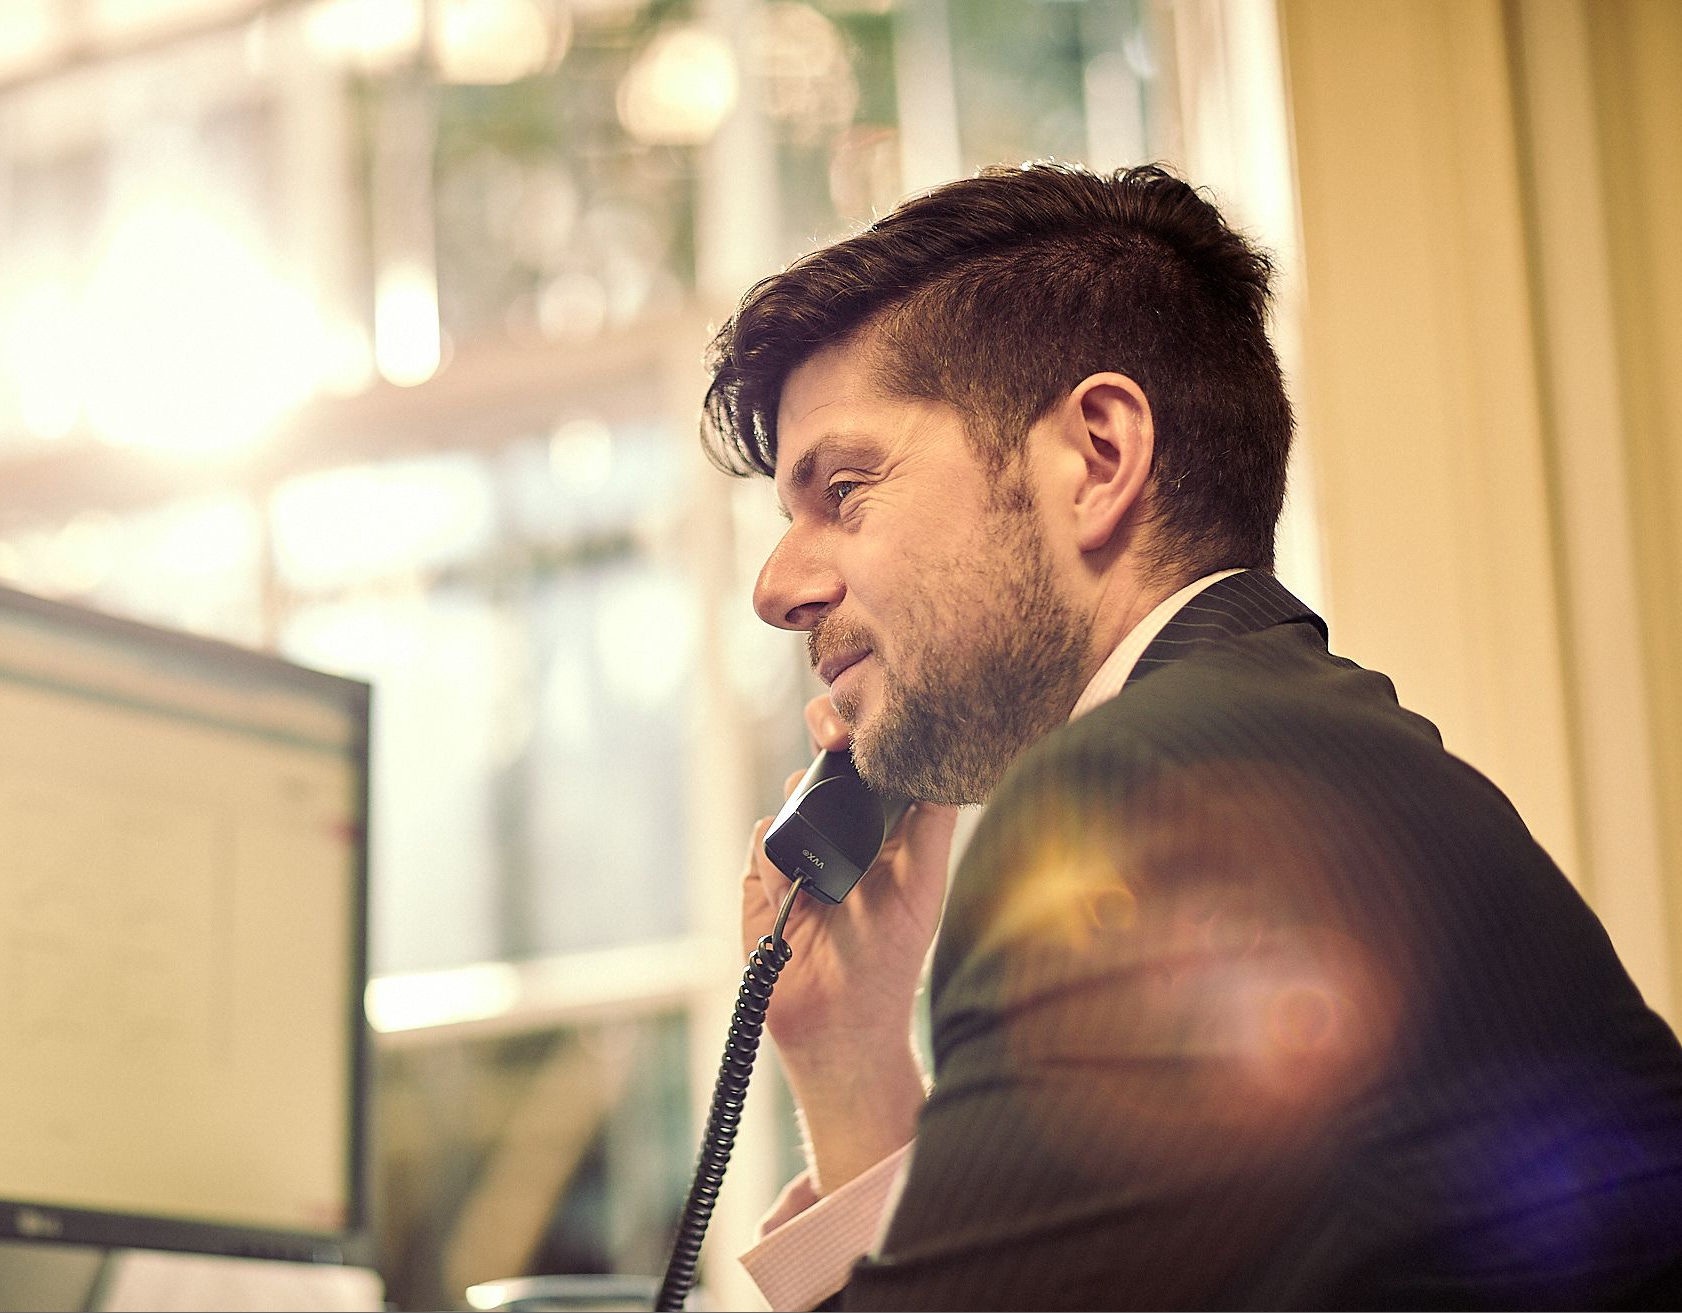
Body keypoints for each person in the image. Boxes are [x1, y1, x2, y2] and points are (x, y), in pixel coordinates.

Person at [703, 162, 1682, 1310]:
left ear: (1097, 457)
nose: (777, 588)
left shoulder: (1145, 804)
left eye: (845, 488)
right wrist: (846, 1053)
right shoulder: (1305, 747)